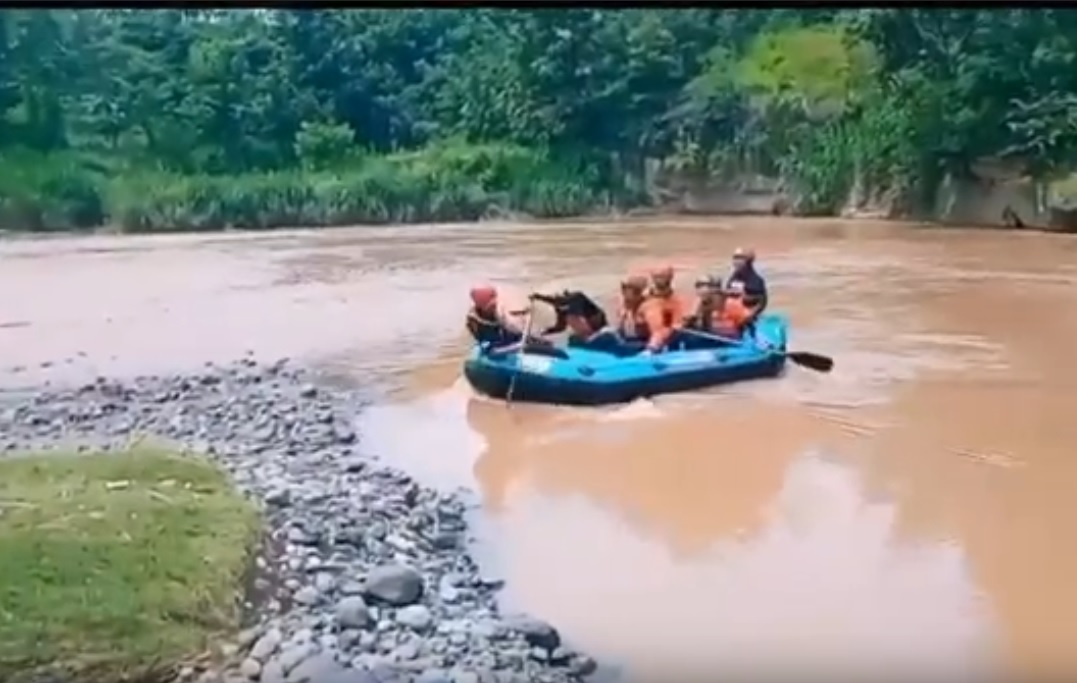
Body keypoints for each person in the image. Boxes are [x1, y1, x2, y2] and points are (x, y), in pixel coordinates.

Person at [639, 264, 690, 354]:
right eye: (656, 277)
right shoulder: (643, 299)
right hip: (644, 340)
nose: (659, 280)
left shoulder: (676, 300)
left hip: (665, 342)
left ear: (670, 278)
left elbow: (670, 326)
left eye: (662, 277)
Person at [530, 290, 609, 344]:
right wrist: (542, 333)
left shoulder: (578, 297)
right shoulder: (564, 310)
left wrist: (539, 297)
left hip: (597, 321)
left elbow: (559, 301)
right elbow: (560, 327)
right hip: (593, 325)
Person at [725, 247, 768, 322]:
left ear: (749, 261)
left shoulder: (756, 280)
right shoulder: (733, 278)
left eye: (740, 258)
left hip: (747, 316)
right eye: (735, 258)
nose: (736, 261)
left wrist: (750, 314)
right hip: (731, 314)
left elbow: (761, 302)